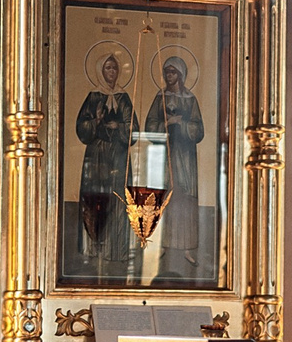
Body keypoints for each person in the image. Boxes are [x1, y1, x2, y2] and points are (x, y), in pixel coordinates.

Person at [73, 51, 138, 274]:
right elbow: (81, 129)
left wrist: (119, 128)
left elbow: (134, 130)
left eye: (114, 68)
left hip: (119, 157)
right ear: (101, 71)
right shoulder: (93, 97)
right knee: (95, 199)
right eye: (108, 68)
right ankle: (93, 250)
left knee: (118, 200)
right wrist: (97, 121)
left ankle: (116, 251)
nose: (111, 72)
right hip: (97, 155)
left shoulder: (124, 98)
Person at [143, 53, 204, 282]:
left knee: (186, 198)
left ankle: (188, 249)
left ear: (181, 75)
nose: (169, 76)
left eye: (173, 72)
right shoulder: (160, 98)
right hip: (166, 155)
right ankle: (164, 245)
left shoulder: (191, 99)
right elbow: (150, 126)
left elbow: (199, 130)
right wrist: (166, 123)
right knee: (166, 197)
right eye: (166, 72)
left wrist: (182, 123)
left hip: (186, 157)